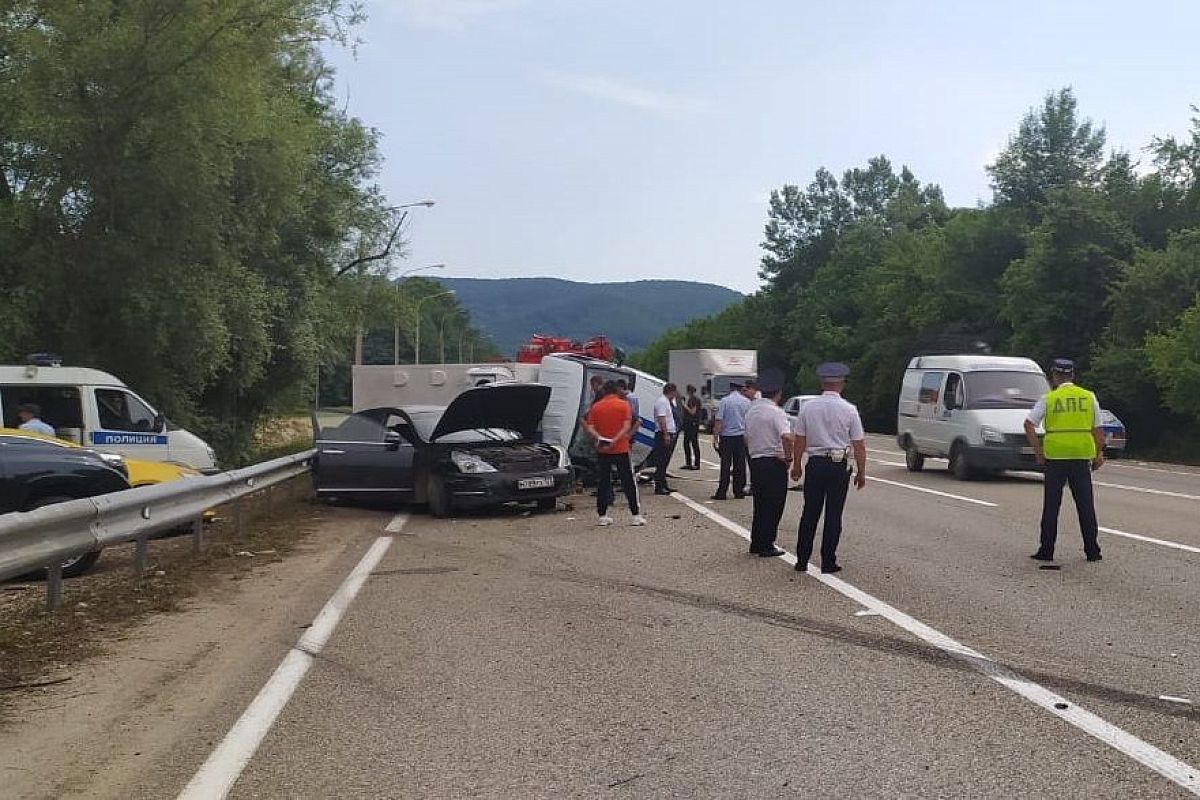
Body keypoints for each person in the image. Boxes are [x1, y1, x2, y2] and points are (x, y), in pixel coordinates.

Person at [1024, 358, 1105, 562]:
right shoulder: (1088, 397)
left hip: (1055, 457)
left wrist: (1038, 451)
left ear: (1054, 376)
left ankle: (1047, 550)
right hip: (1080, 456)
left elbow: (1029, 424)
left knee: (1052, 505)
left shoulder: (1049, 398)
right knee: (1085, 505)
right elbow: (1098, 429)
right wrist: (1099, 453)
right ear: (1072, 375)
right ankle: (1092, 551)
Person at [790, 363, 866, 574]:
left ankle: (802, 559)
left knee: (810, 513)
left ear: (822, 383)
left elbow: (800, 440)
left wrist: (796, 466)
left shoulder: (808, 408)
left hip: (815, 464)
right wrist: (861, 471)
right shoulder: (849, 410)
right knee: (834, 514)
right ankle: (827, 561)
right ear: (841, 384)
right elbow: (858, 444)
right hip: (838, 465)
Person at [582, 381, 646, 527]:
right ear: (616, 390)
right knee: (628, 481)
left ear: (604, 391)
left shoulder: (596, 407)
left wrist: (599, 438)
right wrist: (616, 439)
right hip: (621, 448)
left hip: (602, 449)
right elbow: (626, 427)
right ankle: (635, 515)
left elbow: (589, 426)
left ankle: (602, 515)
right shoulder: (624, 405)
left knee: (604, 481)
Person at [744, 369, 793, 557]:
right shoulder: (776, 412)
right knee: (774, 505)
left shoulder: (751, 411)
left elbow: (746, 437)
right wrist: (788, 458)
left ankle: (756, 542)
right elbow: (787, 437)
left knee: (760, 503)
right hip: (773, 461)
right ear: (778, 393)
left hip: (756, 461)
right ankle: (767, 544)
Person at [711, 380, 753, 500]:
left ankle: (722, 492)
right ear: (741, 389)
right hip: (741, 437)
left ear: (730, 388)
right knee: (740, 465)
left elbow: (719, 420)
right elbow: (749, 421)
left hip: (727, 437)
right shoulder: (746, 402)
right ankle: (739, 491)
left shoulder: (725, 401)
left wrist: (715, 437)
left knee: (725, 465)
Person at [651, 383, 679, 495]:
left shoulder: (666, 401)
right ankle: (659, 486)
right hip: (663, 434)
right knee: (662, 461)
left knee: (665, 461)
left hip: (667, 433)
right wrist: (666, 434)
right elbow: (662, 419)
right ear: (671, 391)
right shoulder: (662, 402)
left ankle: (663, 484)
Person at [680, 385, 702, 470]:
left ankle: (696, 464)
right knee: (686, 443)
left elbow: (693, 412)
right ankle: (688, 463)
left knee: (694, 443)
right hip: (689, 424)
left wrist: (684, 405)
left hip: (693, 424)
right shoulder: (692, 399)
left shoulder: (694, 399)